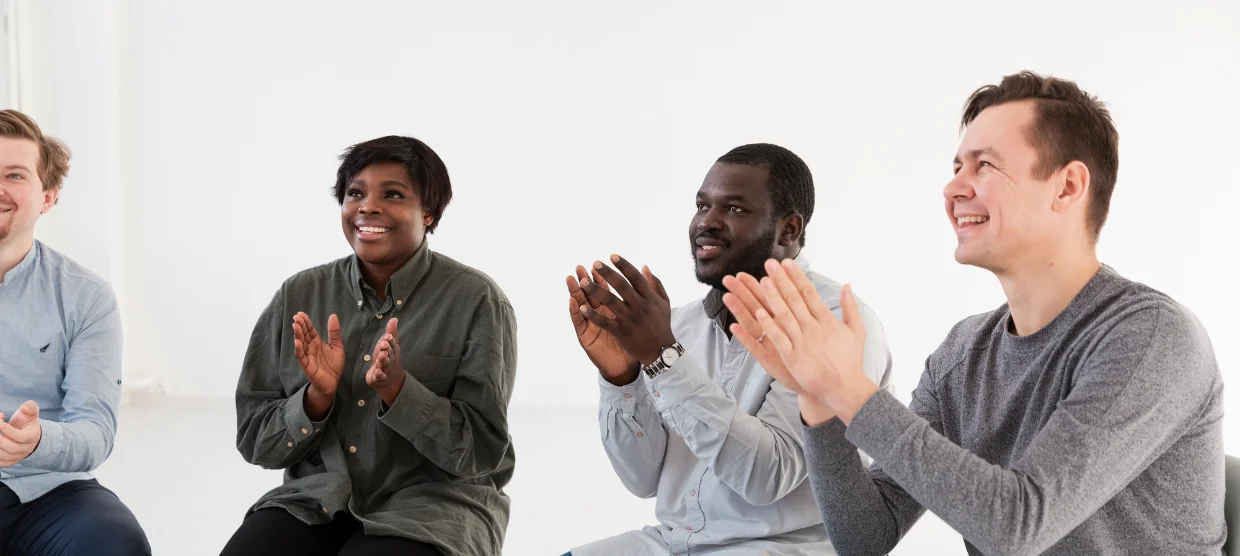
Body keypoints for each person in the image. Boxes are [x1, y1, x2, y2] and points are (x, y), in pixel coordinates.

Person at [723, 72, 1226, 555]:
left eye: (983, 165)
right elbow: (865, 538)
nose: (953, 189)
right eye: (956, 168)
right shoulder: (963, 353)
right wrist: (818, 397)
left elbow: (1018, 527)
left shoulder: (1151, 336)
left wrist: (847, 388)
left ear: (1068, 187)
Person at [563, 143, 894, 555]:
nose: (707, 222)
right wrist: (622, 377)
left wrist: (663, 358)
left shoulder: (835, 323)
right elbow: (641, 480)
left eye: (734, 209)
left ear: (789, 229)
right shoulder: (680, 325)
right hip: (673, 543)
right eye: (702, 206)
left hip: (781, 549)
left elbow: (767, 477)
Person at [224, 135, 518, 556]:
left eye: (392, 194)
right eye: (355, 193)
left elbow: (482, 451)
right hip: (317, 500)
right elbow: (256, 439)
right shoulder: (299, 294)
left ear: (429, 212)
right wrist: (316, 398)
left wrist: (399, 391)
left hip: (435, 508)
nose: (367, 207)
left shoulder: (477, 301)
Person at [0, 109, 152, 555]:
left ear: (47, 198)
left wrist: (36, 441)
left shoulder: (86, 297)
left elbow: (95, 430)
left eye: (14, 175)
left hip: (44, 491)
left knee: (115, 543)